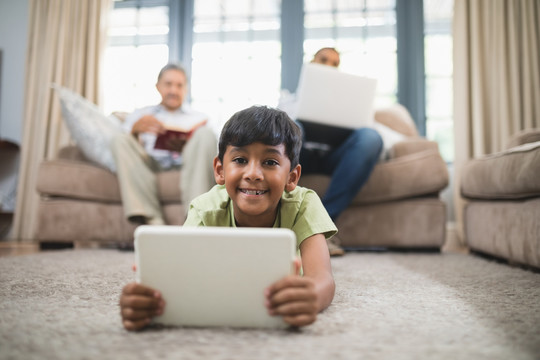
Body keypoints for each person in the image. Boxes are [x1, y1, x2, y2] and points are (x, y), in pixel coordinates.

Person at [119, 105, 337, 331]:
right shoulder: (204, 210)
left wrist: (312, 296)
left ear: (292, 177)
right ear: (220, 171)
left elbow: (323, 278)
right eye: (240, 160)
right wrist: (145, 301)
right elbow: (180, 281)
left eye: (270, 162)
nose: (253, 173)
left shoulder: (304, 204)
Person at [278, 47, 383, 256]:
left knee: (371, 137)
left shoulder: (352, 103)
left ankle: (320, 227)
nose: (329, 66)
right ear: (312, 63)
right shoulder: (289, 100)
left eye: (335, 63)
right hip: (302, 154)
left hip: (335, 158)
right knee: (293, 126)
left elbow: (366, 135)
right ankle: (281, 222)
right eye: (323, 60)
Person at [111, 63, 217, 226]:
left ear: (186, 89)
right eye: (168, 84)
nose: (173, 90)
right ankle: (152, 221)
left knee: (205, 134)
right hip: (150, 164)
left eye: (179, 85)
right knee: (120, 139)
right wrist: (134, 130)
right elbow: (123, 146)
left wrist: (189, 144)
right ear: (158, 86)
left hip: (189, 164)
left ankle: (196, 219)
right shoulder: (141, 115)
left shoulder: (200, 118)